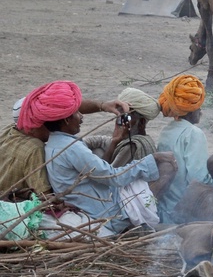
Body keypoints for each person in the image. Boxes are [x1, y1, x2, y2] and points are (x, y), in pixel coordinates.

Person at [36, 81, 176, 236]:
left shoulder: (56, 143)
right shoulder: (71, 148)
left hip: (94, 202)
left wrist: (115, 141)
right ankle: (136, 225)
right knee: (166, 168)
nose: (81, 117)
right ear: (67, 120)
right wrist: (152, 159)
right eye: (77, 113)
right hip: (106, 212)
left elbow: (102, 163)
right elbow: (112, 177)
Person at [1, 90, 133, 197]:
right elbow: (45, 196)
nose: (51, 123)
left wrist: (102, 106)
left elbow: (66, 109)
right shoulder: (35, 149)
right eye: (47, 120)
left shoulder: (11, 130)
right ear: (32, 126)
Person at [83, 87, 176, 200]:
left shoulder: (133, 146)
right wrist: (114, 142)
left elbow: (107, 178)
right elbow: (91, 141)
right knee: (96, 150)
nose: (119, 122)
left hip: (123, 200)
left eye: (124, 118)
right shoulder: (125, 139)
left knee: (98, 154)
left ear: (141, 123)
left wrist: (113, 143)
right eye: (119, 117)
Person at [156, 75, 213, 223]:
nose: (200, 112)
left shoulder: (166, 131)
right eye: (198, 108)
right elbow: (198, 179)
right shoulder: (194, 133)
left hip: (163, 210)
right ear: (190, 110)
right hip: (183, 214)